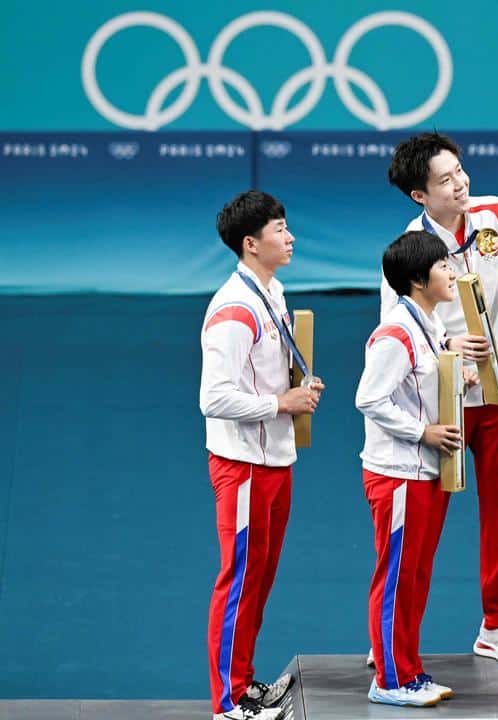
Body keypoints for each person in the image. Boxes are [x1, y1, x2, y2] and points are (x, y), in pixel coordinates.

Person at [383, 132, 498, 662]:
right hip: (442, 399)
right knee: (422, 518)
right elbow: (393, 327)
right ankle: (395, 633)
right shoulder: (409, 248)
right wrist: (446, 344)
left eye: (460, 171)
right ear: (420, 196)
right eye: (445, 180)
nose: (461, 185)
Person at [200, 190, 325, 720]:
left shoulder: (272, 292)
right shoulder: (234, 311)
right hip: (243, 466)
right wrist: (281, 401)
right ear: (251, 244)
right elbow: (213, 397)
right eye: (279, 229)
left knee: (261, 577)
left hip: (274, 460)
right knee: (239, 579)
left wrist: (296, 385)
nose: (290, 236)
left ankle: (244, 683)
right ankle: (228, 703)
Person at [356, 230, 478, 707]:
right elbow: (368, 397)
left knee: (416, 574)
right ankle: (387, 678)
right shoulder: (396, 332)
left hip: (427, 472)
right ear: (416, 279)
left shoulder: (429, 325)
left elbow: (422, 391)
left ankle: (408, 669)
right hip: (398, 472)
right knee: (396, 576)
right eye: (443, 266)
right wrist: (421, 432)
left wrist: (460, 381)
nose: (452, 273)